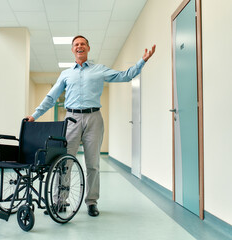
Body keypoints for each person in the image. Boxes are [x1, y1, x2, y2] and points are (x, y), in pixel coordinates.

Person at [26, 35, 155, 217]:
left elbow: (125, 76)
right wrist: (34, 115)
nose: (79, 47)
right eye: (76, 45)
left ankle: (92, 202)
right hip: (71, 119)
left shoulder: (99, 70)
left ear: (88, 48)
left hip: (94, 118)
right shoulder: (66, 74)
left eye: (83, 44)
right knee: (64, 162)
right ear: (72, 50)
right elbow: (51, 97)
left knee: (93, 164)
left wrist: (142, 61)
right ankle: (60, 201)